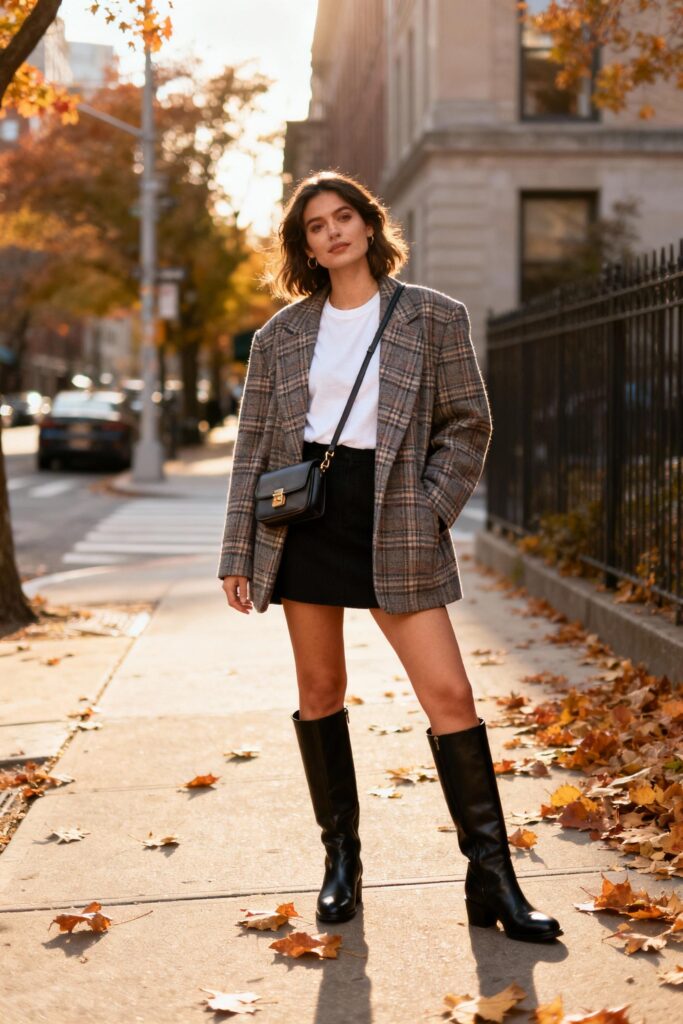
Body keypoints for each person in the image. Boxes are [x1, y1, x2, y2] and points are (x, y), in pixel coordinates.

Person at [218, 171, 561, 943]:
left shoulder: (433, 316)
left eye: (345, 217)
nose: (333, 232)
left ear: (370, 227)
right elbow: (251, 449)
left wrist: (430, 506)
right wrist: (238, 549)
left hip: (395, 514)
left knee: (450, 695)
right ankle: (341, 861)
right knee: (321, 688)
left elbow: (468, 424)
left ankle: (492, 877)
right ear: (303, 244)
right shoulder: (278, 336)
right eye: (316, 225)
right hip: (305, 517)